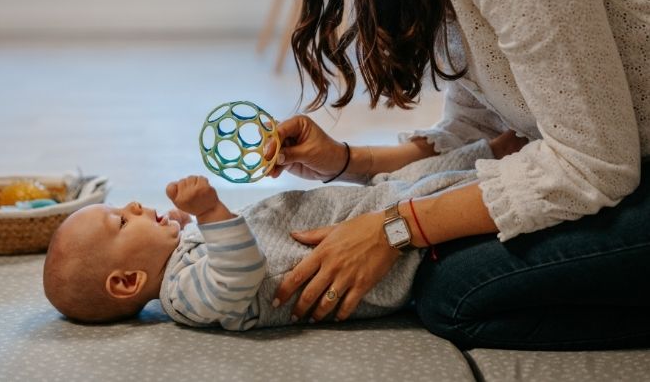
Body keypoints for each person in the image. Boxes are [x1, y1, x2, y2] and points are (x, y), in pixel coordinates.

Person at [229, 0, 650, 349]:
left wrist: (394, 228)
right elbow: (482, 130)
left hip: (619, 166)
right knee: (440, 257)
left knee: (455, 289)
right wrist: (346, 161)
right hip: (625, 164)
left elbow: (593, 162)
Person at [43, 138, 509, 328]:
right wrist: (210, 212)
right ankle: (507, 167)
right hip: (380, 256)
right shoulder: (184, 298)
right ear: (127, 281)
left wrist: (181, 223)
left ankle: (492, 148)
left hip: (355, 212)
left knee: (409, 181)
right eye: (121, 221)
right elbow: (238, 273)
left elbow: (206, 246)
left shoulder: (179, 262)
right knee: (432, 191)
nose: (133, 206)